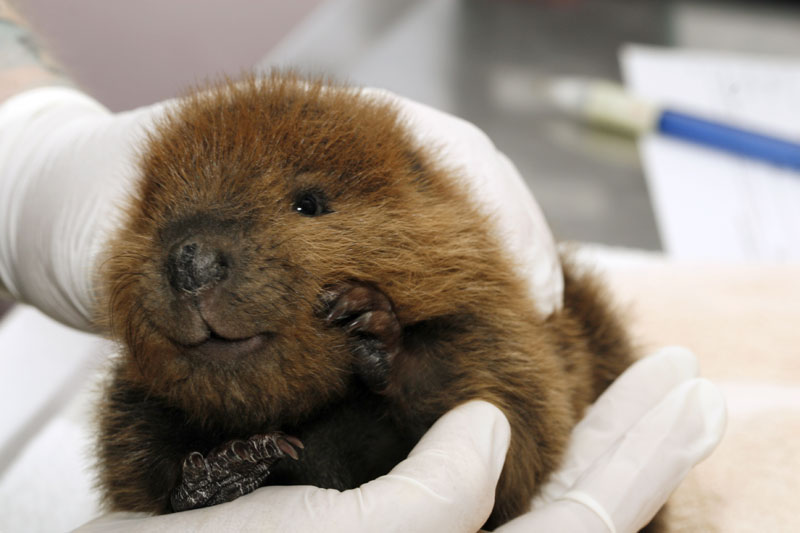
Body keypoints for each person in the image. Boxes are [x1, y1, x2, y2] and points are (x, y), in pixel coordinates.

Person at [0, 2, 725, 531]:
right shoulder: (149, 393)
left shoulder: (460, 318)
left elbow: (521, 438)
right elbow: (130, 479)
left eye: (307, 206)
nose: (192, 262)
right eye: (162, 221)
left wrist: (23, 138)